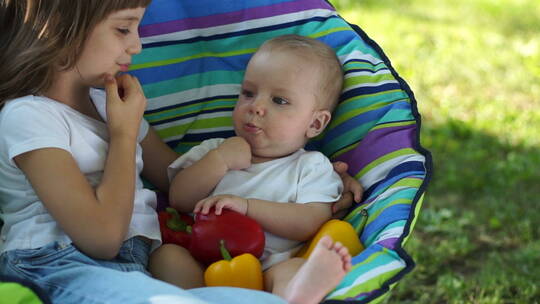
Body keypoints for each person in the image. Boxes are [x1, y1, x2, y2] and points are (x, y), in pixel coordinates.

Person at [0, 2, 359, 304]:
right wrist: (124, 134)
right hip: (57, 263)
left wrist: (316, 183)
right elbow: (102, 239)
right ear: (62, 27)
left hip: (135, 264)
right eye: (123, 29)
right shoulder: (29, 115)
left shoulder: (107, 103)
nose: (137, 46)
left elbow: (177, 177)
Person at [151, 35, 362, 304]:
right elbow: (179, 198)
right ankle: (198, 300)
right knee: (167, 256)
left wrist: (248, 207)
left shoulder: (311, 166)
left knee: (293, 270)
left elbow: (310, 221)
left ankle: (296, 297)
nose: (256, 107)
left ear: (316, 124)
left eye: (280, 101)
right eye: (248, 93)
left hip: (270, 268)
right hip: (205, 263)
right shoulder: (215, 149)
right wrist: (219, 161)